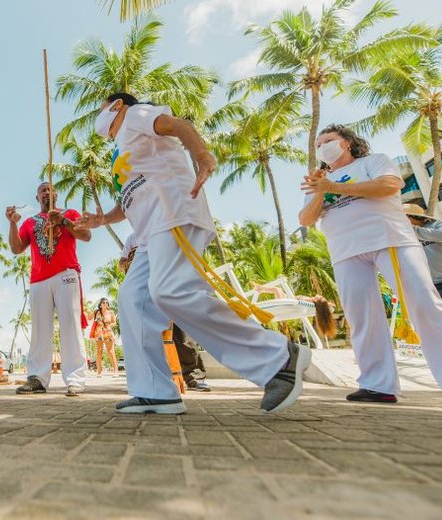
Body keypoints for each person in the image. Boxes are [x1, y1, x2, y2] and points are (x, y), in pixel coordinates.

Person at [77, 93, 309, 414]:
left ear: (117, 105)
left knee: (171, 291)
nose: (98, 116)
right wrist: (102, 219)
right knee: (132, 300)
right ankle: (156, 391)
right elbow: (129, 198)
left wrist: (201, 155)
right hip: (148, 235)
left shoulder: (137, 115)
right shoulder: (121, 147)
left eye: (101, 108)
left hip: (173, 215)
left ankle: (278, 358)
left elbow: (178, 125)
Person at [300, 124, 442, 403]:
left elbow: (388, 186)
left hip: (390, 239)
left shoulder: (373, 162)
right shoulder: (318, 181)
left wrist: (333, 186)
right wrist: (321, 190)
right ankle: (378, 385)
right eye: (318, 144)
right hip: (346, 251)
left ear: (347, 142)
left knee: (423, 304)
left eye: (329, 140)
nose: (323, 146)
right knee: (361, 318)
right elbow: (306, 219)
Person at [6, 182, 91, 397]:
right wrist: (12, 224)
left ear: (56, 194)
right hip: (38, 279)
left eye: (50, 189)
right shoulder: (30, 222)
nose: (47, 192)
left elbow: (86, 235)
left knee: (70, 325)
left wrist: (62, 221)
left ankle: (75, 379)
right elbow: (17, 249)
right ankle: (37, 378)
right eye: (43, 190)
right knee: (40, 328)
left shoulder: (69, 213)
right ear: (37, 198)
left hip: (66, 273)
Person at [119, 233, 210, 392]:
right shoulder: (132, 238)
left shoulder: (163, 230)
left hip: (169, 284)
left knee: (181, 334)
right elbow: (122, 263)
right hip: (144, 289)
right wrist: (129, 263)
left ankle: (194, 377)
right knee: (147, 336)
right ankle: (151, 381)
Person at [403, 203, 442, 317]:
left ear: (413, 216)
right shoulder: (407, 235)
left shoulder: (438, 224)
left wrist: (415, 231)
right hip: (433, 288)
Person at [90, 298, 118, 377]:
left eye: (107, 302)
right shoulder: (97, 312)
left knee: (111, 352)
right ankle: (99, 372)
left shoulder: (111, 312)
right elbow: (89, 317)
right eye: (103, 302)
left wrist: (110, 326)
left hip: (108, 333)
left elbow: (114, 323)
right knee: (99, 352)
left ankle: (115, 371)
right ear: (100, 304)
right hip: (99, 333)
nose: (105, 304)